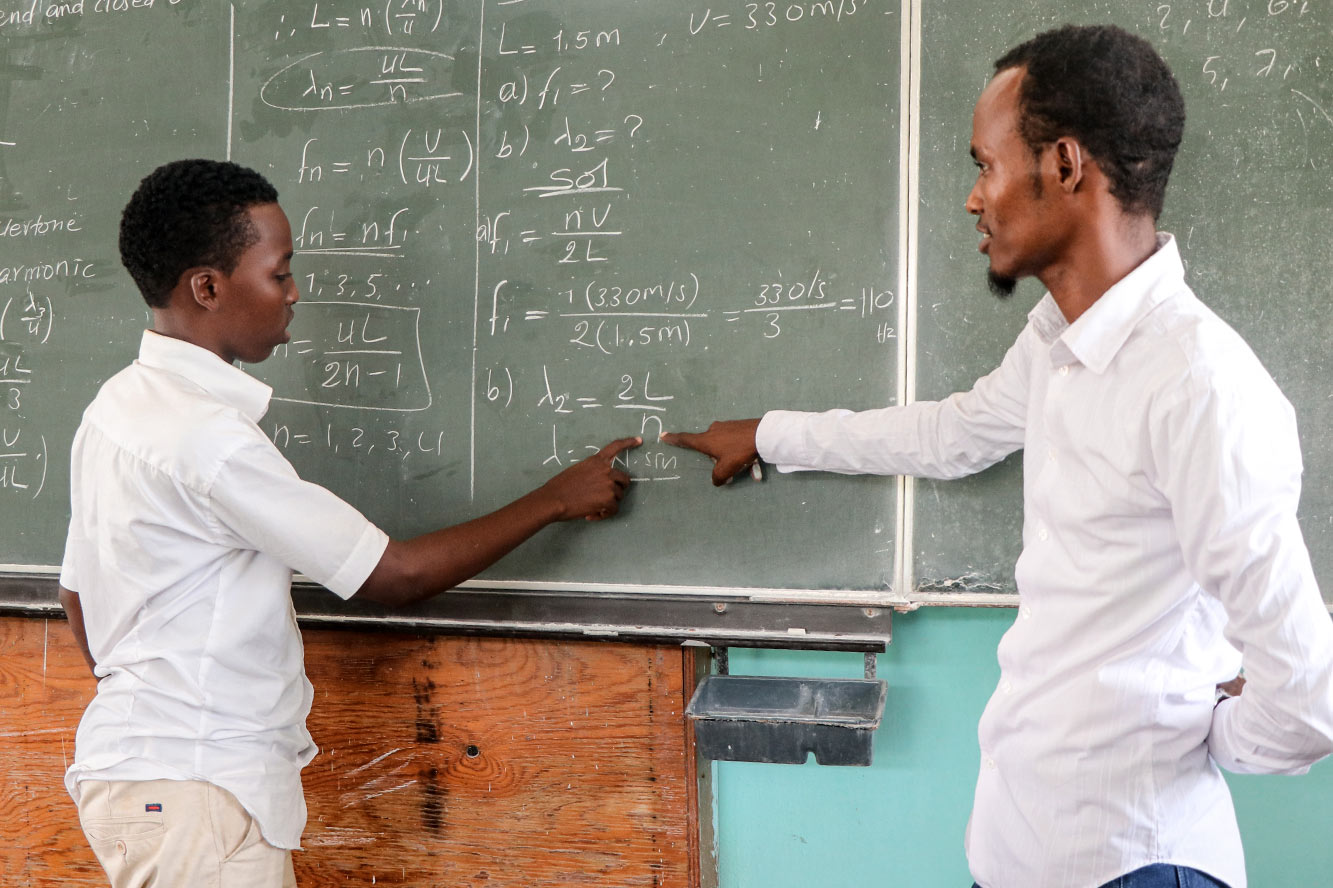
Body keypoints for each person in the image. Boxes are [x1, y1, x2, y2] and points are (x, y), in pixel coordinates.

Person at [664, 24, 1333, 888]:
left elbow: (1307, 697)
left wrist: (1209, 734)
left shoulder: (1199, 389)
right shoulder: (1060, 340)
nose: (973, 200)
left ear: (1062, 165)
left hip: (1131, 861)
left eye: (985, 164)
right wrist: (768, 435)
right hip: (1018, 849)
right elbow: (951, 434)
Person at [58, 158, 640, 888]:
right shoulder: (208, 439)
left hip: (138, 773)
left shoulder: (115, 408)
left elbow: (77, 596)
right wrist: (556, 497)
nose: (294, 293)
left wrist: (151, 705)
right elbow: (396, 575)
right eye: (279, 273)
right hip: (194, 788)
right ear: (207, 288)